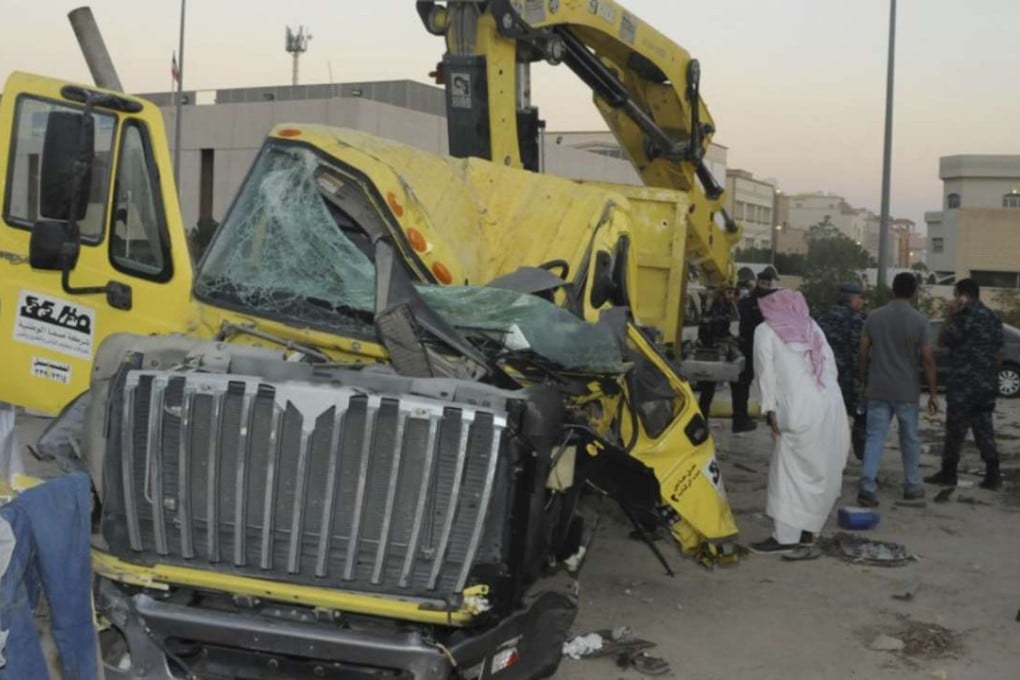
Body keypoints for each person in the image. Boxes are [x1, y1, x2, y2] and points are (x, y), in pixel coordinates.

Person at [748, 290, 849, 554]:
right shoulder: (811, 326)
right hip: (830, 407)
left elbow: (765, 375)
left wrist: (769, 410)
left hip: (797, 411)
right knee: (821, 470)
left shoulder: (766, 330)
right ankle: (809, 532)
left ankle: (785, 538)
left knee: (788, 476)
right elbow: (830, 367)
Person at [857, 272, 939, 507]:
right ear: (914, 293)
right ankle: (912, 485)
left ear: (892, 290)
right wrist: (933, 393)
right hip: (907, 390)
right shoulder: (919, 320)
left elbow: (862, 353)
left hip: (878, 387)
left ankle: (867, 485)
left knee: (874, 438)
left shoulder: (874, 317)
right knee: (910, 438)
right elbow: (927, 359)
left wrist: (863, 380)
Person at [925, 278, 1004, 490]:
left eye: (955, 293)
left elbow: (943, 340)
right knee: (984, 428)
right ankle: (993, 474)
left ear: (963, 295)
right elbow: (1000, 350)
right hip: (986, 383)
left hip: (964, 383)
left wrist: (950, 315)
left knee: (955, 429)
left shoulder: (962, 317)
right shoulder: (993, 317)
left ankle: (949, 473)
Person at [818, 283, 868, 460]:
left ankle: (827, 455)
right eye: (861, 298)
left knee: (830, 419)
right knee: (862, 418)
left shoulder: (824, 318)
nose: (863, 302)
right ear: (851, 298)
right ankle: (863, 456)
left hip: (829, 378)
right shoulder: (860, 320)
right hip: (854, 378)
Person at [732, 270, 778, 433]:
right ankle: (742, 419)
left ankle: (751, 417)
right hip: (754, 348)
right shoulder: (761, 302)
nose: (765, 287)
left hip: (757, 348)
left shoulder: (754, 301)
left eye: (768, 284)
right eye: (763, 283)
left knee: (760, 384)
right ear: (759, 282)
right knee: (747, 385)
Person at [695, 286, 740, 418]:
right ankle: (703, 416)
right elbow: (714, 327)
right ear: (722, 292)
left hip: (711, 346)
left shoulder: (723, 305)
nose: (731, 296)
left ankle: (703, 415)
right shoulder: (718, 306)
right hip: (711, 349)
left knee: (708, 388)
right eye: (729, 292)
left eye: (733, 293)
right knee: (708, 387)